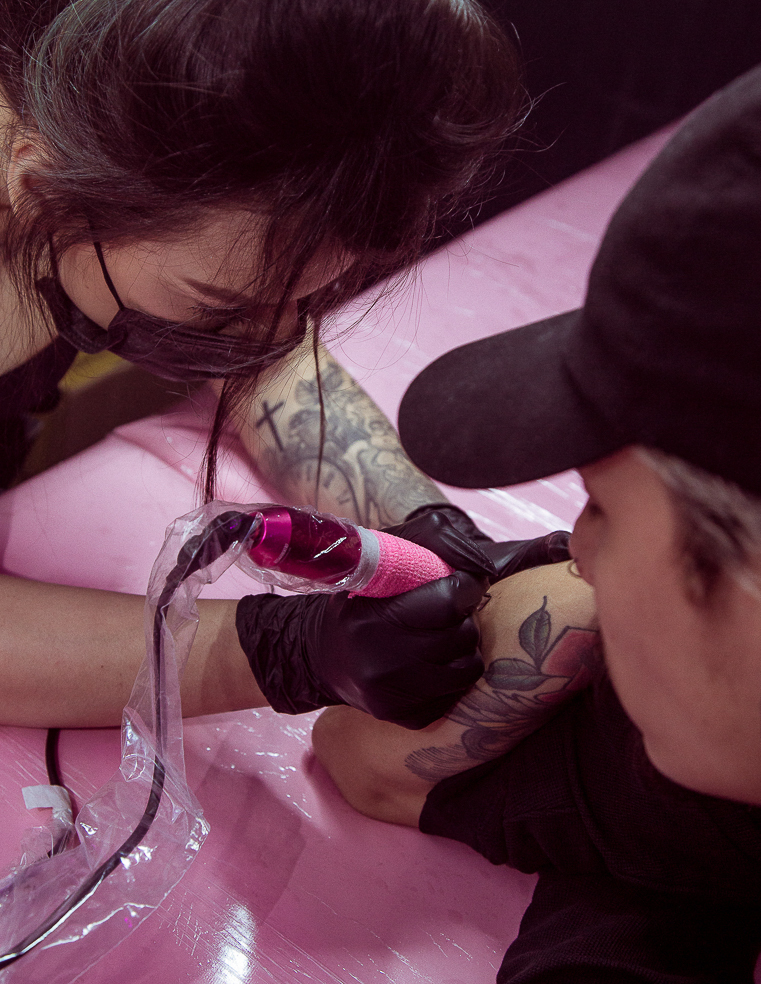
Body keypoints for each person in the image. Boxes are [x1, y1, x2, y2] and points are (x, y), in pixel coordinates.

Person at [0, 0, 526, 727]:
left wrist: (423, 530)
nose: (271, 340)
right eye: (220, 305)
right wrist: (281, 652)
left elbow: (256, 345)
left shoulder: (89, 48)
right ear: (43, 184)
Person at [305, 64, 761, 981]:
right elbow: (357, 757)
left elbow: (364, 756)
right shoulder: (703, 778)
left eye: (602, 507)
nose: (578, 551)